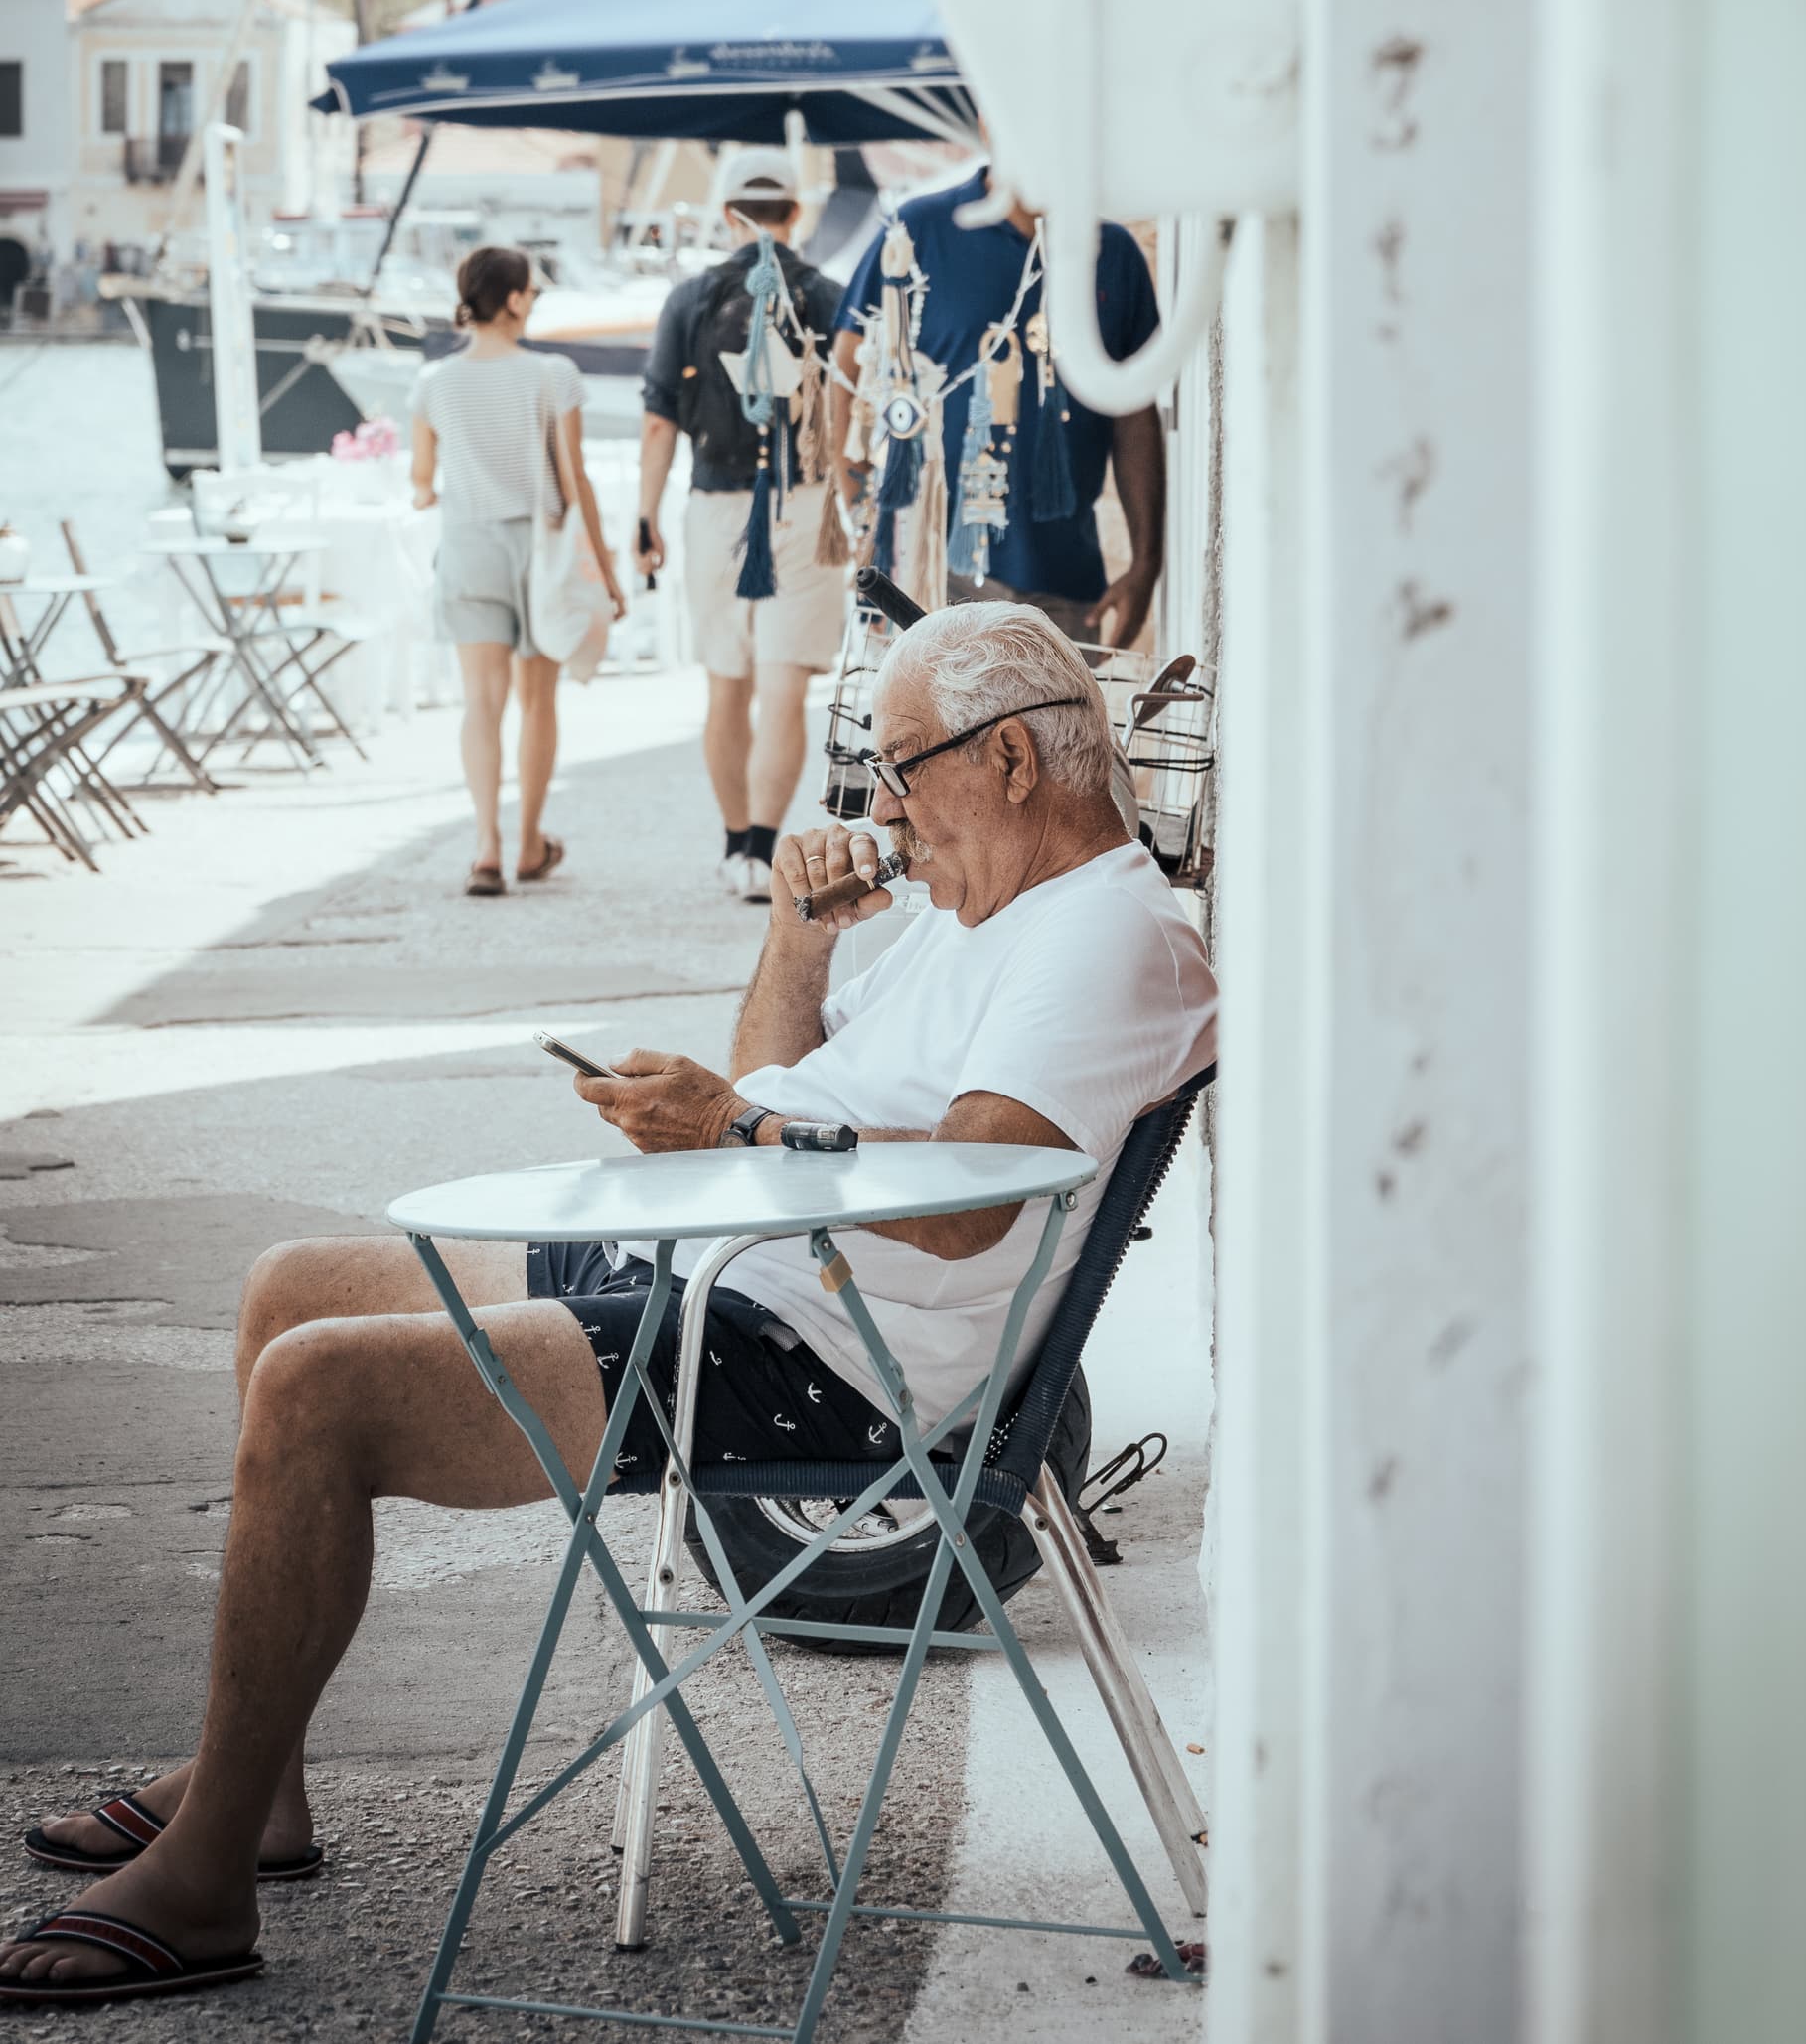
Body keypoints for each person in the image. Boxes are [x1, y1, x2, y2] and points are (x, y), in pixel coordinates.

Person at [0, 605, 1214, 2006]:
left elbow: (964, 1203)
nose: (880, 807)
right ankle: (256, 1784)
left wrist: (738, 1137)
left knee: (319, 1387)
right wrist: (798, 947)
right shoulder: (982, 904)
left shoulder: (1102, 933)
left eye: (899, 766)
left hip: (825, 1354)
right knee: (294, 1285)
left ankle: (208, 1871)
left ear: (1009, 758)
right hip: (740, 1273)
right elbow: (787, 1092)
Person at [832, 152, 1166, 649]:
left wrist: (1146, 563)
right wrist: (858, 503)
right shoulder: (919, 228)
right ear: (989, 120)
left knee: (1049, 729)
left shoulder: (1112, 253)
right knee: (927, 727)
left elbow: (1135, 413)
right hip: (928, 570)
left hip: (1061, 578)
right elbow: (847, 361)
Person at [634, 147, 847, 904]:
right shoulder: (829, 295)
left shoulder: (690, 299)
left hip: (718, 504)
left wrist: (644, 516)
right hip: (808, 504)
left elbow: (660, 422)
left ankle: (736, 848)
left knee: (727, 684)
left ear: (730, 215)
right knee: (784, 689)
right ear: (797, 212)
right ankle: (763, 845)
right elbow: (854, 415)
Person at [410, 245, 623, 898]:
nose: (534, 302)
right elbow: (573, 477)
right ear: (511, 299)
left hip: (469, 544)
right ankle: (530, 844)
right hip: (541, 549)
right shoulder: (551, 374)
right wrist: (606, 567)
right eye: (532, 291)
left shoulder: (432, 383)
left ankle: (485, 847)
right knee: (537, 701)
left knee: (481, 702)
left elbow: (421, 484)